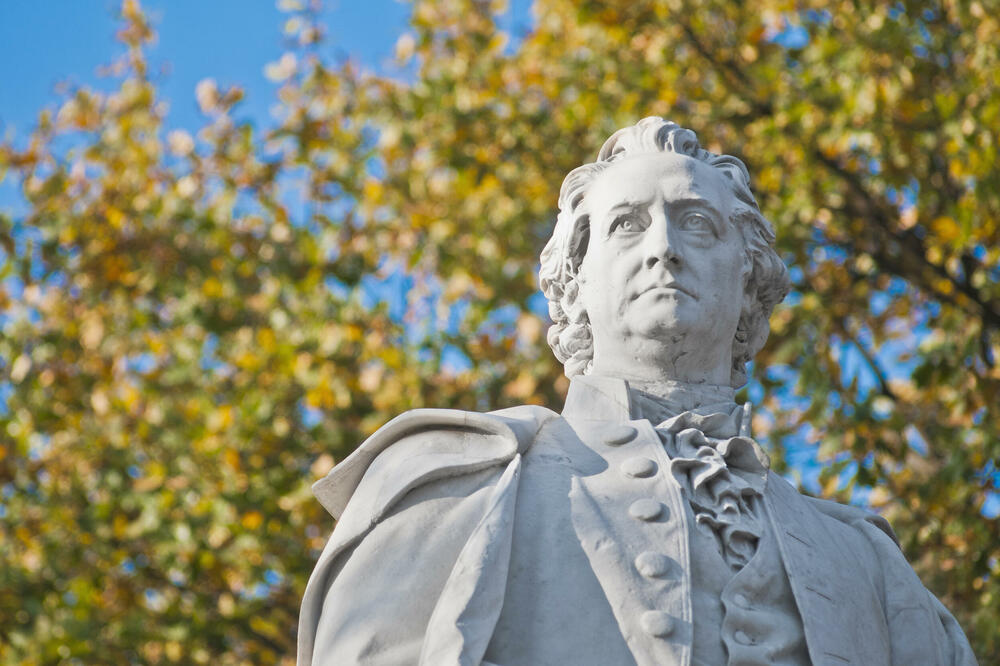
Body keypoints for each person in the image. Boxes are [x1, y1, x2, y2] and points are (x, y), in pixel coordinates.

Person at [297, 117, 977, 665]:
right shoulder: (451, 486)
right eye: (628, 224)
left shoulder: (865, 561)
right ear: (574, 281)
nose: (663, 248)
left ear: (749, 283)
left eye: (696, 223)